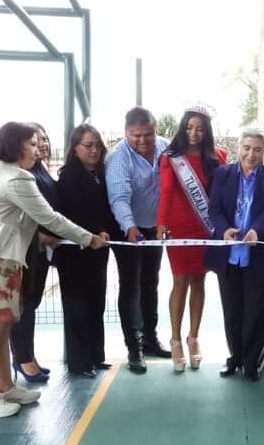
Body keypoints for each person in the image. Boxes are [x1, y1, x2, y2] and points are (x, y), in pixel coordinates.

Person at [0, 122, 106, 418]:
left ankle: (5, 387)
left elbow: (14, 219)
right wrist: (88, 238)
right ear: (16, 147)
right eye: (31, 144)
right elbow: (49, 217)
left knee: (3, 326)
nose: (38, 148)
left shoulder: (1, 172)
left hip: (2, 258)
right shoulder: (17, 178)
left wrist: (41, 237)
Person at [205, 129, 264, 382]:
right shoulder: (222, 174)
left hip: (258, 255)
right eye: (247, 148)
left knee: (256, 311)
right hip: (229, 255)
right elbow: (214, 209)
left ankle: (252, 361)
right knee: (232, 310)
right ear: (239, 148)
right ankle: (234, 357)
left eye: (257, 149)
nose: (251, 154)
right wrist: (223, 230)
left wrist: (256, 231)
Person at [156, 104, 227, 373]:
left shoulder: (218, 157)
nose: (194, 133)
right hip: (179, 226)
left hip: (205, 227)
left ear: (206, 131)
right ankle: (175, 339)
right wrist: (161, 223)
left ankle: (193, 336)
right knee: (180, 281)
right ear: (182, 129)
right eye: (189, 128)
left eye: (199, 129)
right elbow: (165, 192)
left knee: (199, 280)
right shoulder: (171, 157)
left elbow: (222, 194)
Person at [106, 107, 171, 374]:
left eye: (148, 134)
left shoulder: (166, 147)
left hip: (155, 228)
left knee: (151, 282)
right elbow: (119, 198)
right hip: (127, 229)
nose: (143, 140)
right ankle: (134, 348)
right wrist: (130, 227)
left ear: (155, 131)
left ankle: (151, 339)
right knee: (130, 286)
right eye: (136, 135)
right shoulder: (118, 158)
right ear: (126, 133)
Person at [55, 124, 119, 378]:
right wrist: (95, 230)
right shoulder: (69, 176)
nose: (94, 150)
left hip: (97, 250)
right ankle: (79, 363)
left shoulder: (100, 174)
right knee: (77, 307)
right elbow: (72, 214)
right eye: (88, 145)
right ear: (75, 149)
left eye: (98, 146)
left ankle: (95, 356)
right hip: (74, 253)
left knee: (96, 303)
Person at [9, 123, 57, 383]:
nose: (42, 145)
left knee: (32, 303)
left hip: (41, 249)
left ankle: (28, 355)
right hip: (27, 248)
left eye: (45, 139)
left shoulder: (40, 169)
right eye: (36, 142)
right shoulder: (21, 174)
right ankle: (22, 358)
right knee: (24, 305)